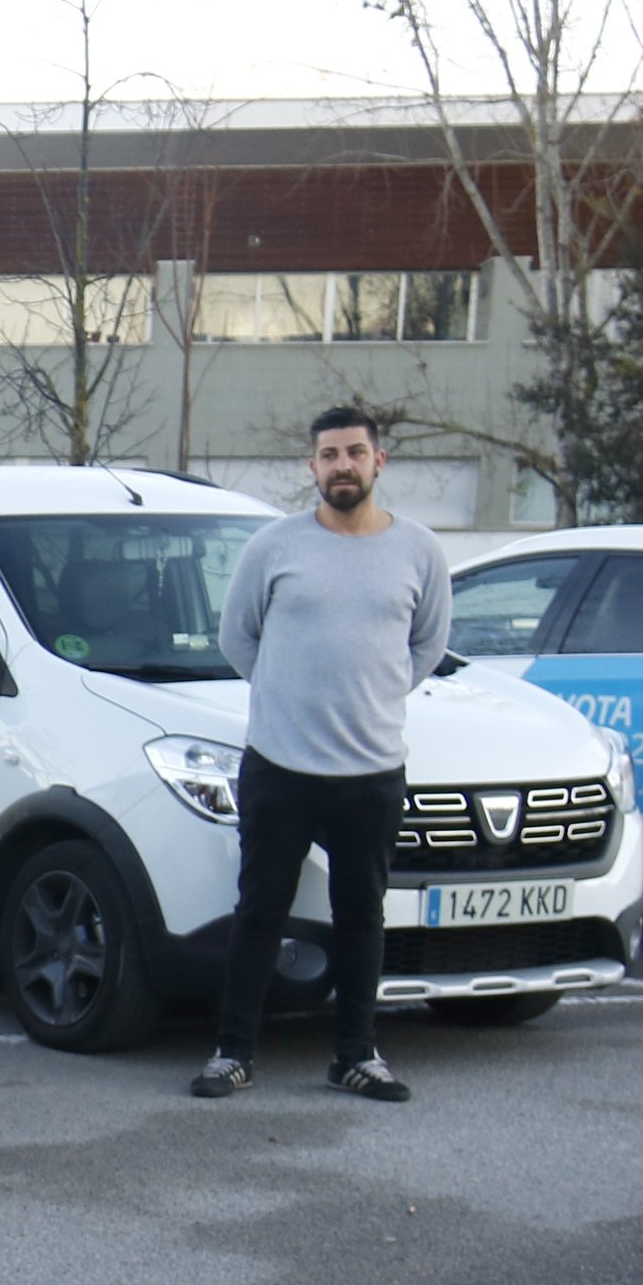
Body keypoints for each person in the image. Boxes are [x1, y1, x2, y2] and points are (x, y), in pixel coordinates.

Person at [195, 404, 454, 1104]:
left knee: (362, 915)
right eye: (330, 455)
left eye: (355, 453)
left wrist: (374, 692)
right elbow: (236, 639)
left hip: (370, 772)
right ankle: (234, 1053)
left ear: (379, 462)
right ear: (312, 468)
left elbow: (426, 644)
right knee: (260, 911)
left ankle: (356, 1056)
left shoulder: (420, 552)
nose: (343, 465)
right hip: (280, 767)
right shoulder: (273, 547)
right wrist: (288, 695)